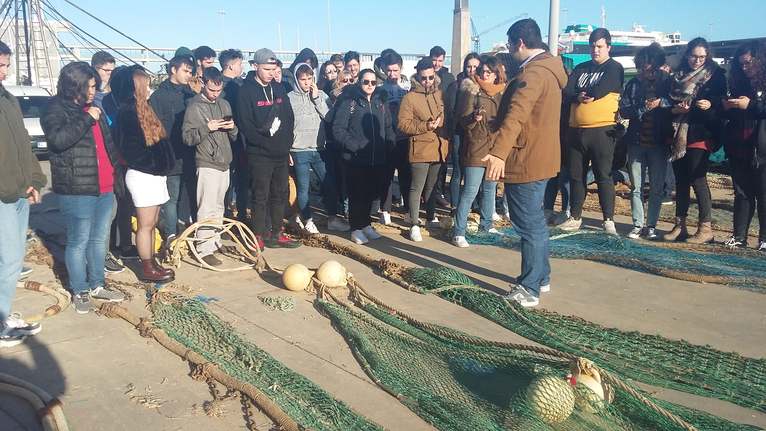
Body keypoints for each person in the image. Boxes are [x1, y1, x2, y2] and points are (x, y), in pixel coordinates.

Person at [483, 18, 567, 307]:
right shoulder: (550, 70)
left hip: (526, 158)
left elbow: (517, 116)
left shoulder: (533, 74)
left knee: (528, 224)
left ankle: (529, 287)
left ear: (520, 42)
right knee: (536, 223)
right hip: (542, 156)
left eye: (509, 45)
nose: (509, 51)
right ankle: (541, 277)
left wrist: (498, 153)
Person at [41, 61, 126, 314]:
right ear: (74, 86)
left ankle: (98, 283)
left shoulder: (95, 107)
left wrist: (116, 174)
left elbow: (108, 146)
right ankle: (80, 288)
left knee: (99, 239)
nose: (93, 91)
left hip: (104, 185)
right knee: (78, 240)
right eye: (89, 86)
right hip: (77, 189)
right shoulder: (55, 109)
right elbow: (58, 140)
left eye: (94, 86)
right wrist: (86, 118)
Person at [0, 41, 47, 346]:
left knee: (13, 259)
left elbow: (24, 144)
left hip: (19, 192)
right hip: (2, 195)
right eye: (0, 65)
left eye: (5, 65)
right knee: (8, 260)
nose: (3, 71)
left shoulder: (9, 99)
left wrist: (34, 180)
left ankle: (3, 313)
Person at [559, 28, 624, 235]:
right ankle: (575, 216)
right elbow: (567, 91)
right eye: (592, 46)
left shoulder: (614, 67)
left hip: (602, 131)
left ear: (608, 47)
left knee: (603, 175)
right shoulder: (581, 67)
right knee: (576, 176)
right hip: (576, 131)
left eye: (599, 46)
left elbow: (603, 88)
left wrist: (586, 95)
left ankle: (608, 220)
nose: (595, 50)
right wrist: (577, 96)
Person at [116, 66, 177, 283]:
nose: (149, 88)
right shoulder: (127, 112)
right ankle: (147, 267)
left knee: (151, 223)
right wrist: (155, 164)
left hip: (154, 175)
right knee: (145, 224)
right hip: (143, 175)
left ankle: (151, 261)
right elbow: (130, 150)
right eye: (145, 84)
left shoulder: (143, 108)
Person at [663, 38, 726, 244]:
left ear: (707, 56)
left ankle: (705, 227)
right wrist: (675, 110)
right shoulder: (677, 76)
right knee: (681, 180)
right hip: (679, 133)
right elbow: (668, 102)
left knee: (698, 178)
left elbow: (722, 103)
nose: (697, 61)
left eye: (701, 57)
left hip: (701, 132)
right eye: (693, 56)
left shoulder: (715, 75)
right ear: (687, 55)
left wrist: (711, 103)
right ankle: (679, 225)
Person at [237, 48, 300, 248]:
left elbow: (289, 117)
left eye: (274, 69)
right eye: (266, 69)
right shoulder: (245, 91)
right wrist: (264, 144)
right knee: (260, 195)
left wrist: (287, 145)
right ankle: (258, 234)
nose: (271, 73)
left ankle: (277, 232)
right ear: (255, 67)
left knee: (280, 193)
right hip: (260, 154)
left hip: (281, 153)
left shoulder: (279, 88)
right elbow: (245, 124)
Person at [182, 67, 238, 266]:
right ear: (204, 84)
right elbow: (187, 137)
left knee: (219, 206)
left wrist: (233, 128)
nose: (216, 94)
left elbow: (234, 135)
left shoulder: (224, 104)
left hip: (224, 162)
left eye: (219, 90)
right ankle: (203, 248)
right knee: (206, 207)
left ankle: (214, 242)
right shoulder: (194, 107)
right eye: (212, 90)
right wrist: (208, 128)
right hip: (206, 162)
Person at [333, 69, 396, 244]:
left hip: (377, 158)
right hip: (355, 159)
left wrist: (390, 145)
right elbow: (338, 129)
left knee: (370, 195)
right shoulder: (350, 101)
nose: (369, 86)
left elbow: (388, 126)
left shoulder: (380, 102)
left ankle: (366, 224)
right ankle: (356, 228)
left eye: (373, 83)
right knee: (357, 195)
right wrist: (355, 146)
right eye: (366, 82)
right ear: (359, 82)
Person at [619, 43, 673, 240]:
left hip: (659, 143)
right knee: (636, 187)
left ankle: (651, 225)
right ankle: (637, 224)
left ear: (658, 65)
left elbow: (675, 103)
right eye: (642, 67)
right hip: (636, 141)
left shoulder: (667, 82)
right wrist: (642, 107)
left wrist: (661, 103)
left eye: (649, 67)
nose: (645, 71)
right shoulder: (633, 84)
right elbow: (624, 110)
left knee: (657, 187)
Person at [288, 63, 349, 234]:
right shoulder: (289, 97)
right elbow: (286, 126)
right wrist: (287, 150)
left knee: (329, 183)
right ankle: (307, 218)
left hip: (319, 148)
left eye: (309, 79)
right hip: (299, 149)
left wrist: (316, 98)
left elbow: (329, 117)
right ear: (296, 79)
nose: (306, 83)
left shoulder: (321, 95)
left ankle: (332, 218)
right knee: (303, 187)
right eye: (303, 79)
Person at [452, 56, 507, 247]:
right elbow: (462, 119)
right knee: (470, 190)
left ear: (495, 74)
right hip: (476, 147)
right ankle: (458, 231)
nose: (484, 75)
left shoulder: (500, 94)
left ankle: (487, 224)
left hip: (494, 148)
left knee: (490, 188)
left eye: (488, 72)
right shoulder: (472, 91)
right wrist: (473, 119)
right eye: (482, 71)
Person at [398, 57, 450, 242]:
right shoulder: (409, 98)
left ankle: (430, 216)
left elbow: (445, 114)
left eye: (430, 77)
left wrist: (441, 121)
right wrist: (425, 126)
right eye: (423, 78)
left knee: (432, 186)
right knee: (416, 187)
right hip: (420, 148)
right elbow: (403, 125)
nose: (427, 81)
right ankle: (413, 222)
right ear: (417, 77)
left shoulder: (440, 94)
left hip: (438, 147)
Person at [723, 41, 766, 250]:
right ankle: (739, 235)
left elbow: (760, 109)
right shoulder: (738, 82)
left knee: (763, 193)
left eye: (748, 63)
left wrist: (752, 105)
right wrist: (727, 106)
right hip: (739, 144)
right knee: (742, 192)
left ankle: (764, 238)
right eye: (741, 64)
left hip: (762, 147)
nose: (745, 68)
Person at [150, 55, 196, 249]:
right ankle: (170, 233)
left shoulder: (190, 95)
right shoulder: (158, 97)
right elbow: (153, 129)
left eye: (190, 72)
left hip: (190, 154)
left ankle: (183, 228)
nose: (189, 75)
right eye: (185, 71)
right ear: (173, 70)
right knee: (171, 197)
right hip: (169, 155)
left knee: (187, 195)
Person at [444, 52, 481, 208]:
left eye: (475, 67)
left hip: (477, 134)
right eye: (469, 66)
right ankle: (455, 205)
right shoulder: (457, 84)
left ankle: (476, 205)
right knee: (458, 171)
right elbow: (451, 110)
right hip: (460, 132)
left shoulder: (483, 84)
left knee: (474, 170)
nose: (471, 70)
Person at [379, 51, 411, 224]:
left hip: (404, 137)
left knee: (406, 175)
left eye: (395, 70)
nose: (392, 74)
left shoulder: (407, 87)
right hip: (387, 139)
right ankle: (386, 210)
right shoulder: (380, 89)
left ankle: (408, 209)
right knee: (387, 176)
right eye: (389, 70)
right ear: (384, 69)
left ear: (401, 68)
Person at [219, 49, 246, 220]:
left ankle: (236, 214)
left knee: (236, 180)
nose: (241, 67)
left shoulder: (237, 84)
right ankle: (231, 216)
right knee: (228, 182)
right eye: (239, 64)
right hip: (228, 140)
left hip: (236, 138)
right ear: (230, 65)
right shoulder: (226, 86)